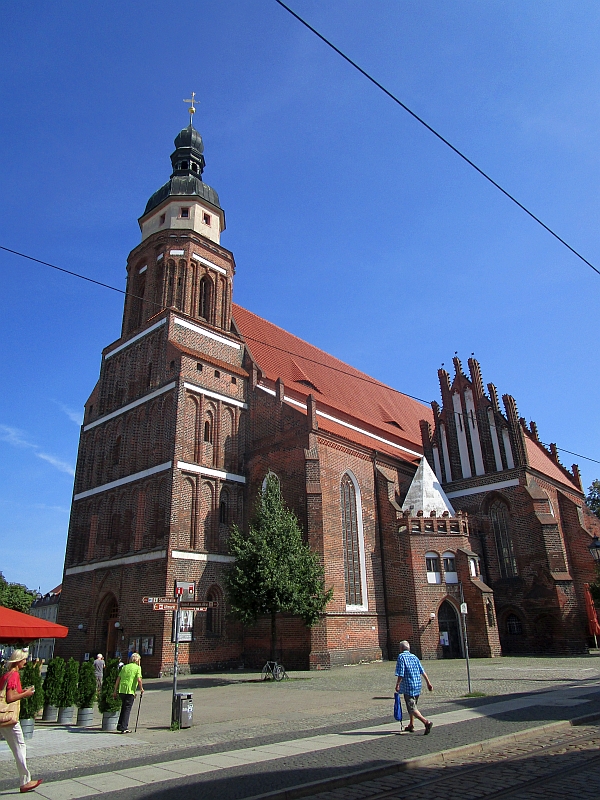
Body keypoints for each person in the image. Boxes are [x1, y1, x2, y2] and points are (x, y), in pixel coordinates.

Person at [0, 649, 43, 793]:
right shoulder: (14, 675)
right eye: (24, 659)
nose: (26, 661)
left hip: (3, 717)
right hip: (10, 717)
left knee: (17, 746)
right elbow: (10, 698)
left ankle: (25, 780)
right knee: (20, 746)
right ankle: (25, 781)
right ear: (18, 661)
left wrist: (22, 691)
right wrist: (26, 694)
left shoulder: (6, 675)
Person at [395, 640, 433, 734]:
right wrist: (428, 683)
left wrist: (398, 684)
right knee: (413, 705)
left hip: (408, 686)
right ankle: (411, 724)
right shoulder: (414, 657)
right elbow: (422, 671)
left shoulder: (401, 657)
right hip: (417, 685)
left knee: (412, 708)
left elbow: (401, 673)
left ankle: (426, 722)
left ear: (401, 649)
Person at [113, 652, 143, 733]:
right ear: (137, 660)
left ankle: (120, 725)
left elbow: (118, 679)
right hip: (130, 691)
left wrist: (115, 691)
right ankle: (124, 727)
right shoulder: (137, 668)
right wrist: (141, 689)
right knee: (127, 709)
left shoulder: (124, 667)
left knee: (123, 707)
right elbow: (139, 680)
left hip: (122, 690)